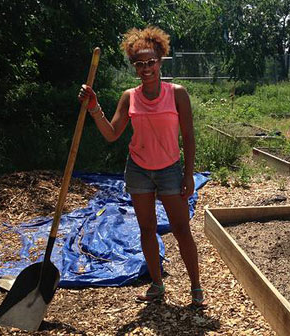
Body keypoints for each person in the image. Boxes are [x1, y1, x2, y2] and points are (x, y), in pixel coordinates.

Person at [78, 26, 206, 307]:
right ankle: (157, 285)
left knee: (182, 229)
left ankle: (196, 286)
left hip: (171, 169)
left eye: (151, 62)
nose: (146, 68)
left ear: (160, 61)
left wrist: (188, 175)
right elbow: (112, 134)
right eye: (139, 63)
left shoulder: (177, 94)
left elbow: (189, 137)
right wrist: (93, 108)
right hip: (139, 170)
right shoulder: (129, 97)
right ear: (134, 66)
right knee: (146, 229)